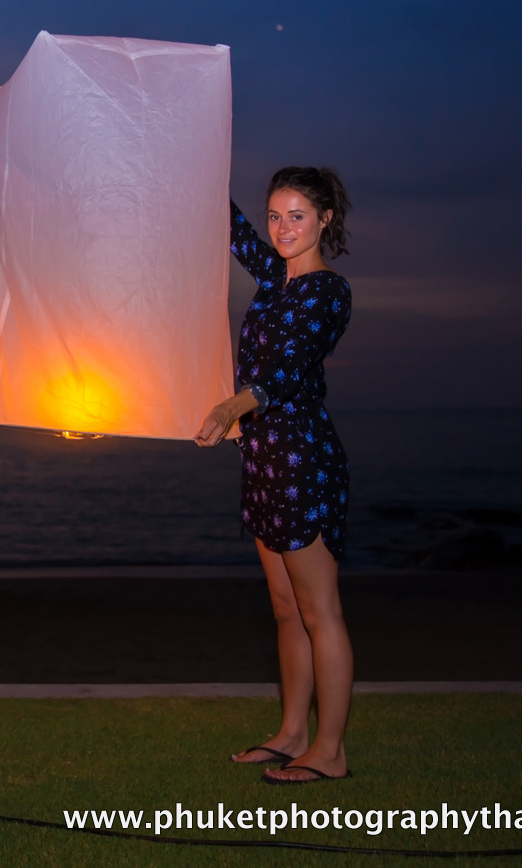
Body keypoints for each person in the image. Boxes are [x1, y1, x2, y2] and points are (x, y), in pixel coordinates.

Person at [195, 166, 354, 785]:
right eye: (275, 216)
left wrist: (232, 406)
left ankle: (331, 750)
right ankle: (292, 734)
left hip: (302, 459)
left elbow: (288, 372)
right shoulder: (273, 278)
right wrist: (198, 150)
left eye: (297, 216)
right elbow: (228, 226)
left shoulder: (327, 291)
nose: (283, 228)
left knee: (320, 611)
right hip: (262, 456)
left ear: (324, 220)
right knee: (286, 609)